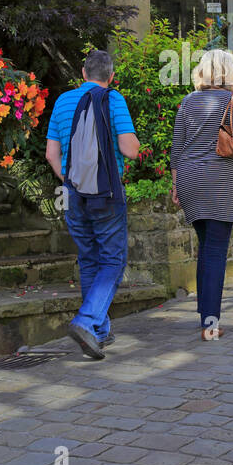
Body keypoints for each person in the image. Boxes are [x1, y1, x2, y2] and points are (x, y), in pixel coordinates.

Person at [45, 50, 140, 360]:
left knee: (88, 258)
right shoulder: (113, 100)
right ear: (110, 77)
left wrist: (70, 178)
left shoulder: (62, 102)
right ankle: (87, 321)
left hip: (72, 194)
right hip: (106, 194)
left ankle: (97, 332)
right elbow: (129, 150)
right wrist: (137, 145)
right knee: (113, 260)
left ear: (83, 73)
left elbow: (51, 154)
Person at [171, 49, 233, 341]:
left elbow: (176, 148)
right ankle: (210, 324)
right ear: (228, 73)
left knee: (205, 247)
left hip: (189, 179)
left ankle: (204, 314)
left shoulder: (187, 102)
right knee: (216, 252)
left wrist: (176, 184)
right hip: (218, 180)